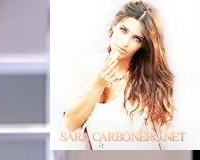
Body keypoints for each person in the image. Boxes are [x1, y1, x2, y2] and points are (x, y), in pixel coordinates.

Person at [62, 1, 176, 149]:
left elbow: (169, 144)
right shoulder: (87, 66)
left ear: (143, 46)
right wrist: (98, 85)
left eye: (137, 38)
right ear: (113, 26)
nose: (125, 42)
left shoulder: (151, 82)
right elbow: (70, 123)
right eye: (123, 30)